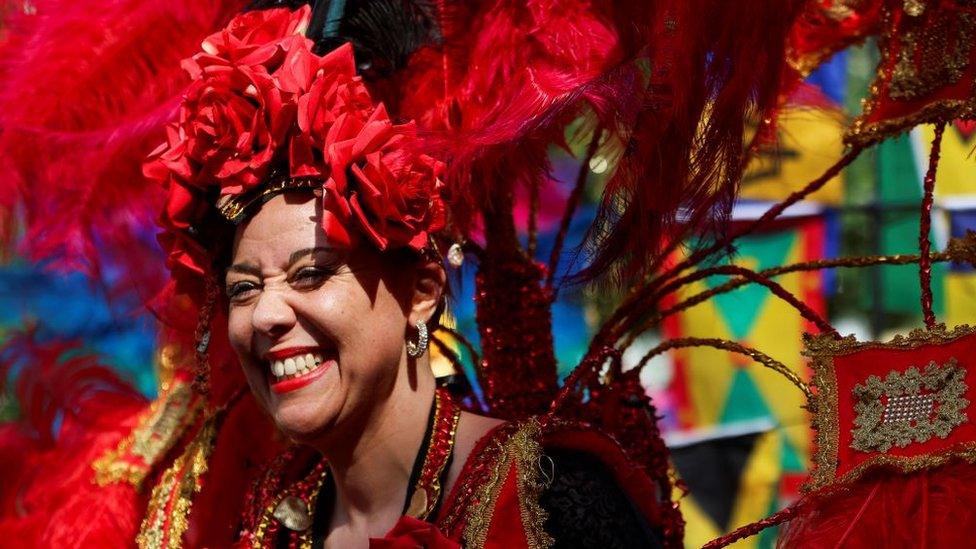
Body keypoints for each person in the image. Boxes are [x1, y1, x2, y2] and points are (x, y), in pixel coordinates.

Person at [134, 5, 667, 547]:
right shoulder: (272, 521)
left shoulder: (548, 498)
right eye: (244, 288)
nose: (267, 315)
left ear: (420, 293)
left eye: (310, 274)